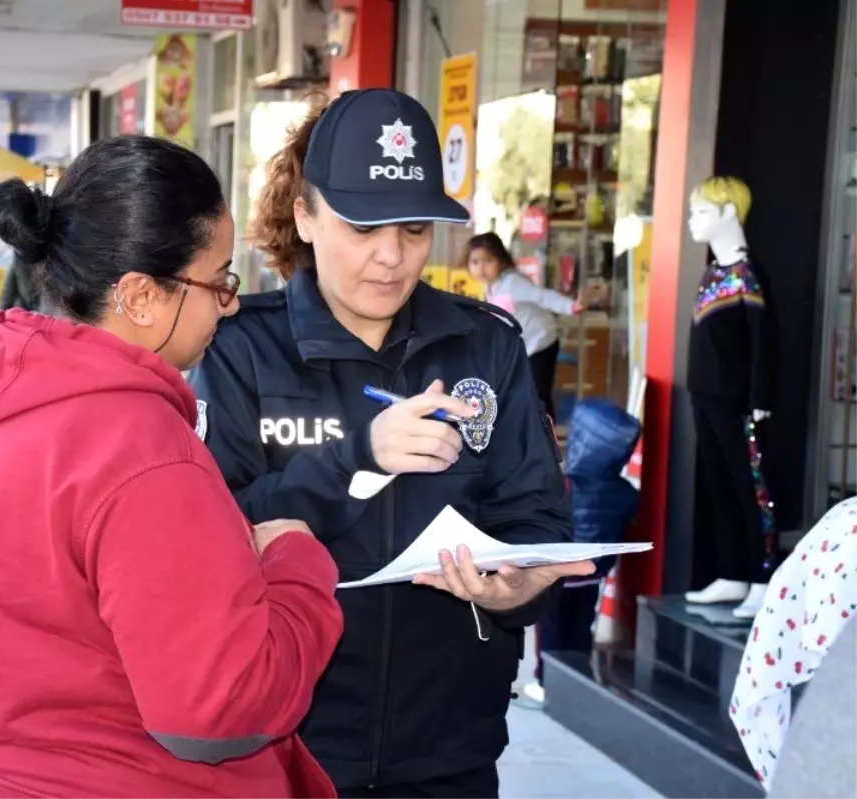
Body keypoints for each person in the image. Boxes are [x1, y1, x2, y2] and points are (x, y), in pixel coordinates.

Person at [0, 136, 344, 799]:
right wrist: (298, 569)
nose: (228, 302)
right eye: (219, 278)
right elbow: (220, 706)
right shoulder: (142, 451)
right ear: (139, 295)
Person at [188, 89, 591, 798]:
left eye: (412, 229)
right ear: (306, 216)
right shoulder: (241, 349)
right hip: (285, 747)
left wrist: (518, 590)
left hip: (450, 751)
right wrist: (354, 458)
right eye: (362, 227)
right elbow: (209, 538)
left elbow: (538, 521)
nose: (390, 257)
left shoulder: (486, 347)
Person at [463, 231, 594, 421]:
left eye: (488, 261)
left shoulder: (512, 283)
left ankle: (548, 440)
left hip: (541, 343)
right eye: (475, 262)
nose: (481, 268)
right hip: (525, 346)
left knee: (539, 395)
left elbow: (543, 297)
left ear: (500, 260)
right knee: (523, 395)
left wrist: (572, 306)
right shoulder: (491, 287)